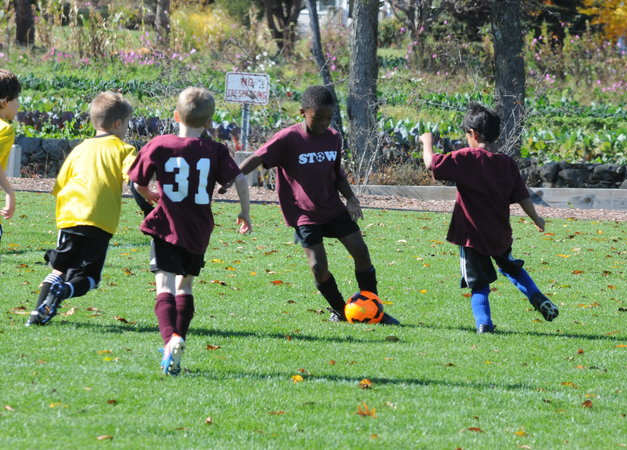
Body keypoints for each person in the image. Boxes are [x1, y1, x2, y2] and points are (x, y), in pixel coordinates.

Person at [238, 85, 398, 325]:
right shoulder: (288, 138)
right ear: (303, 112)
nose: (324, 123)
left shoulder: (333, 137)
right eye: (317, 118)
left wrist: (351, 198)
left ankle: (373, 309)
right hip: (304, 214)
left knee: (361, 252)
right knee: (318, 267)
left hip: (332, 208)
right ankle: (342, 311)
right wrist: (233, 175)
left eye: (328, 118)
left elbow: (338, 174)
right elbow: (258, 157)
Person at [128, 87, 252, 375]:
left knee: (165, 285)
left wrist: (150, 195)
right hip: (199, 227)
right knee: (185, 286)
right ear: (208, 123)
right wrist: (244, 212)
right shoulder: (215, 150)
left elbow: (137, 183)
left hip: (167, 224)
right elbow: (240, 179)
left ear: (175, 116)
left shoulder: (159, 144)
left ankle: (169, 340)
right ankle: (179, 339)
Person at [420, 103, 558, 334]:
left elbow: (430, 164)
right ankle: (537, 296)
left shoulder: (465, 158)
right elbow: (522, 196)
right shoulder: (506, 163)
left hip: (472, 237)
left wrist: (427, 142)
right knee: (511, 267)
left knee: (479, 284)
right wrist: (537, 219)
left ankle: (484, 323)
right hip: (499, 234)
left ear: (473, 134)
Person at [26, 91, 137, 326]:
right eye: (127, 123)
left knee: (59, 268)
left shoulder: (79, 149)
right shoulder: (123, 149)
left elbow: (59, 185)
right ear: (118, 124)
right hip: (99, 220)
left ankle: (36, 316)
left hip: (69, 217)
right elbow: (136, 178)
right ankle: (63, 291)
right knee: (90, 278)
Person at [0, 69, 19, 240]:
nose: (18, 105)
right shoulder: (5, 129)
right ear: (5, 101)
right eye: (16, 99)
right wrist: (9, 193)